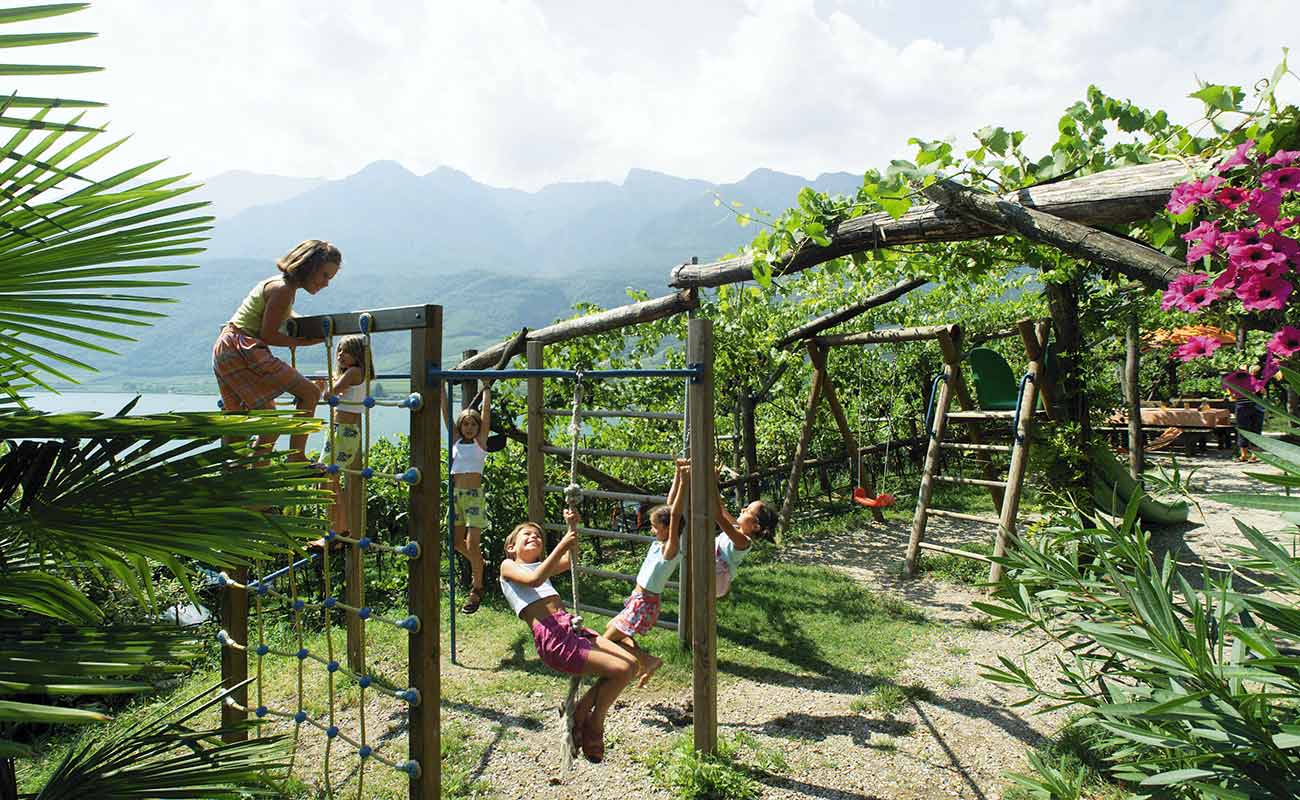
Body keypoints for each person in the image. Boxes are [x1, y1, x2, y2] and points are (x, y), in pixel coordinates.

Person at [499, 509, 638, 763]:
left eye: (538, 536)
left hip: (571, 628)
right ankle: (595, 723)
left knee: (631, 665)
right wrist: (563, 542)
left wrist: (572, 527)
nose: (534, 537)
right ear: (511, 547)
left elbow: (573, 557)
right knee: (620, 670)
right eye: (526, 535)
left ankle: (579, 711)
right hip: (554, 636)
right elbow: (533, 580)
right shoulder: (509, 566)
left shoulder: (540, 566)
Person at [212, 240, 341, 461]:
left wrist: (306, 327)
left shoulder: (280, 286)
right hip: (243, 347)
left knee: (256, 420)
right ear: (309, 266)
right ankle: (296, 456)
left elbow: (284, 316)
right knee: (309, 393)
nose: (326, 284)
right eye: (325, 275)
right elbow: (268, 334)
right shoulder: (282, 290)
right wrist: (309, 341)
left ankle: (248, 473)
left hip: (228, 349)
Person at [601, 460, 687, 687]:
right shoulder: (662, 541)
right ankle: (646, 662)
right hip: (638, 600)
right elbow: (670, 506)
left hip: (644, 604)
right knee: (614, 632)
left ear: (668, 528)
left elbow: (675, 514)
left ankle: (645, 661)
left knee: (605, 640)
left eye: (654, 526)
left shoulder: (671, 548)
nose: (651, 530)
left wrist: (687, 482)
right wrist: (678, 474)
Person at [324, 335, 372, 534]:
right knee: (329, 480)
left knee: (328, 479)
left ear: (358, 355)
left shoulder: (353, 372)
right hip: (342, 432)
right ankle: (339, 528)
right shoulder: (356, 374)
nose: (341, 355)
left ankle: (338, 529)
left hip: (342, 433)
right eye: (339, 350)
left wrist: (324, 387)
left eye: (347, 351)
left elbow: (329, 394)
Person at [450, 389, 491, 613]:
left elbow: (486, 416)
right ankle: (479, 563)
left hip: (474, 498)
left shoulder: (480, 443)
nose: (469, 428)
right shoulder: (456, 442)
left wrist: (486, 390)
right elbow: (446, 415)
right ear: (460, 426)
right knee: (457, 544)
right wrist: (441, 394)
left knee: (471, 544)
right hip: (456, 497)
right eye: (465, 424)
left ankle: (477, 587)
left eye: (473, 425)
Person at [709, 469, 777, 598]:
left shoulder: (743, 541)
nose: (743, 509)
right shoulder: (737, 528)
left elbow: (719, 516)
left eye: (748, 511)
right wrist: (714, 482)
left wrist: (711, 488)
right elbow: (722, 510)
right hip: (712, 571)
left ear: (755, 526)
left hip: (716, 579)